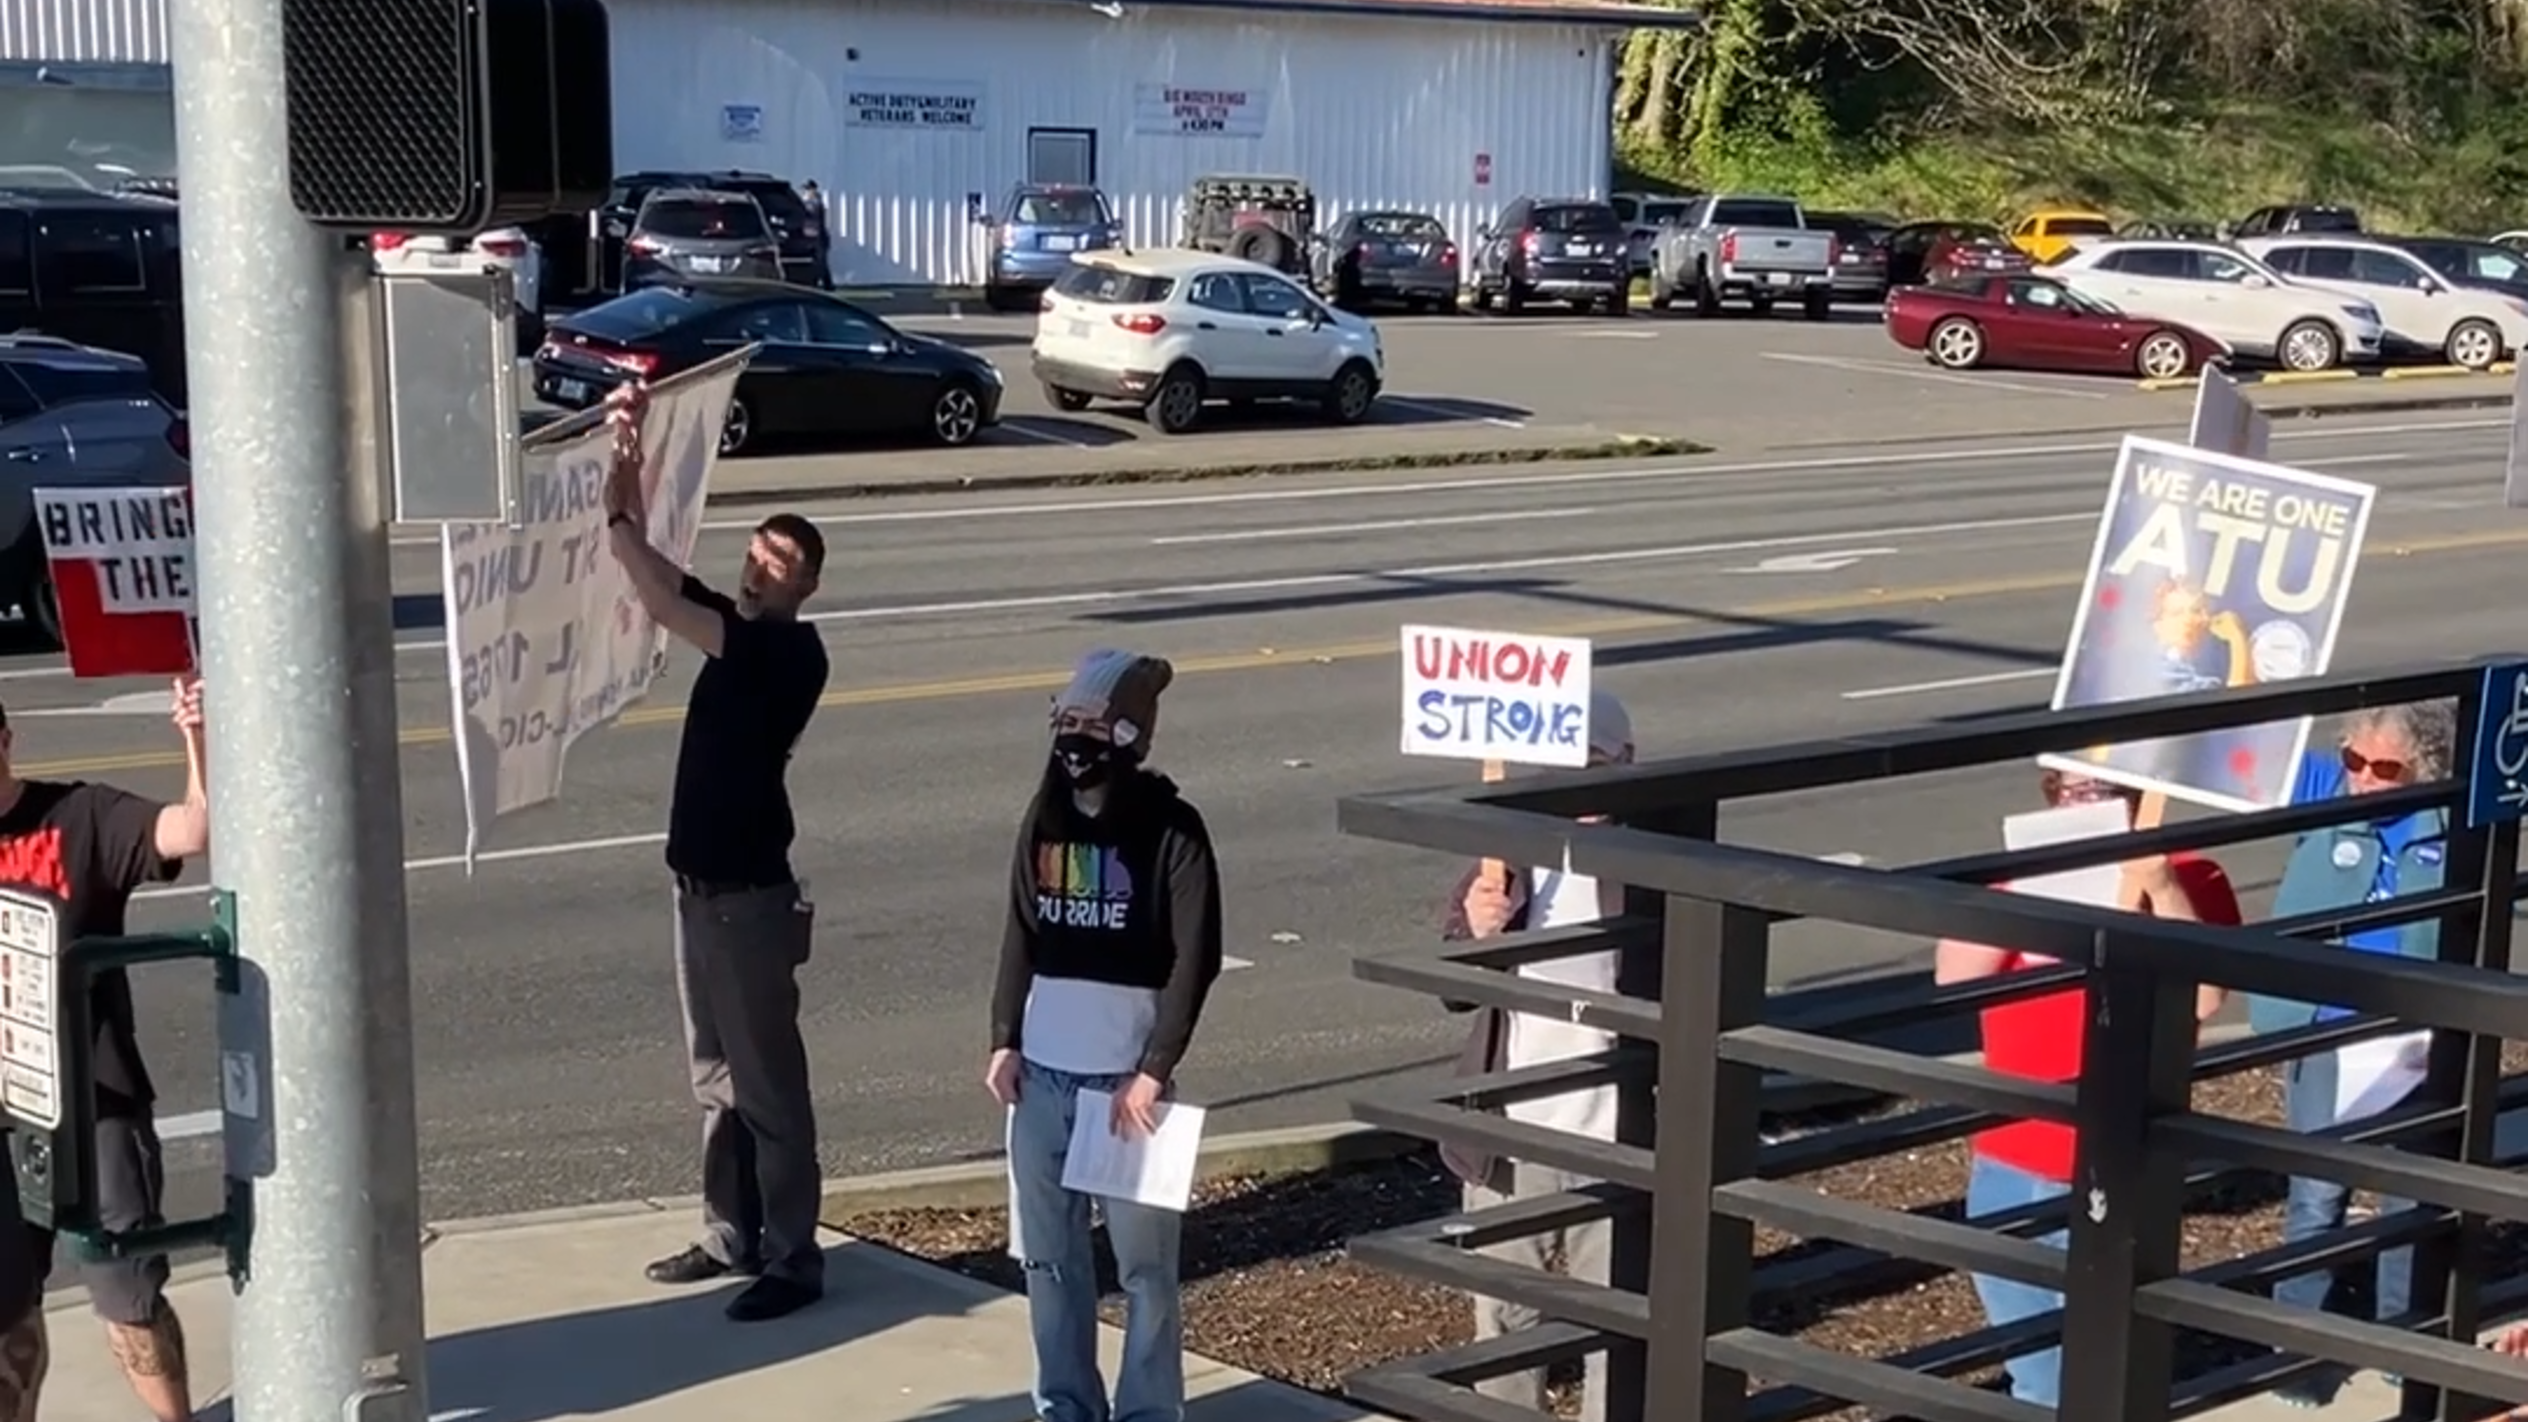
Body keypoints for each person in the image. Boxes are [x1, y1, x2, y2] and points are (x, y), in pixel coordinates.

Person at [602, 383, 834, 1323]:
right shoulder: (731, 635)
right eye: (758, 547)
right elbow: (660, 576)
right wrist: (625, 454)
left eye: (782, 557)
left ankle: (794, 1257)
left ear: (806, 583)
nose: (761, 561)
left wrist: (616, 517)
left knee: (768, 1086)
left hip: (750, 901)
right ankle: (728, 1233)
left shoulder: (787, 654)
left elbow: (655, 588)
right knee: (714, 1079)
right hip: (695, 893)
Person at [1934, 768, 2241, 1410]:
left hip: (2111, 1156)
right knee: (2036, 1371)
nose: (2079, 799)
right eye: (2063, 788)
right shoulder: (2021, 876)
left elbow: (2205, 1001)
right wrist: (2025, 887)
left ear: (2135, 791)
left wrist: (2158, 886)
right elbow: (1955, 981)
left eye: (2096, 786)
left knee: (2102, 1362)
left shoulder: (2193, 874)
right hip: (2011, 1155)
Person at [986, 650, 1224, 1422]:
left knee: (1146, 1272)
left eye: (1089, 724)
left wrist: (1154, 1068)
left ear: (1129, 734)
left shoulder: (1172, 828)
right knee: (1050, 1262)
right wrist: (1003, 1037)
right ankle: (1066, 1406)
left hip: (1124, 1086)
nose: (1073, 739)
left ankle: (1150, 1412)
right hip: (1043, 1082)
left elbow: (1198, 957)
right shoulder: (1044, 814)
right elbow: (1021, 928)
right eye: (1065, 721)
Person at [0, 678, 210, 1422]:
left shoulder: (80, 818)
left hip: (94, 1100)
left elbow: (190, 831)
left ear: (5, 743)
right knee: (6, 1311)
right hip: (6, 1109)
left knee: (127, 1293)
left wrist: (198, 738)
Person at [1435, 690, 1634, 1422]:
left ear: (1627, 765)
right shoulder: (1511, 857)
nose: (1572, 789)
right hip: (1512, 1133)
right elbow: (1456, 991)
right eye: (1558, 770)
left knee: (1615, 1327)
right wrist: (1478, 933)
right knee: (1505, 1324)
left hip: (1612, 1133)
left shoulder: (1653, 868)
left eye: (1588, 767)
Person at [2251, 700, 2456, 1407]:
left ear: (2424, 771)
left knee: (2406, 1198)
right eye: (2353, 762)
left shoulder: (2450, 827)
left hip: (2414, 1039)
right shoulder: (2326, 799)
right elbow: (2248, 755)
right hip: (2327, 1034)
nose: (2364, 780)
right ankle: (2298, 1354)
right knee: (2317, 1200)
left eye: (2385, 768)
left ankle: (2402, 1343)